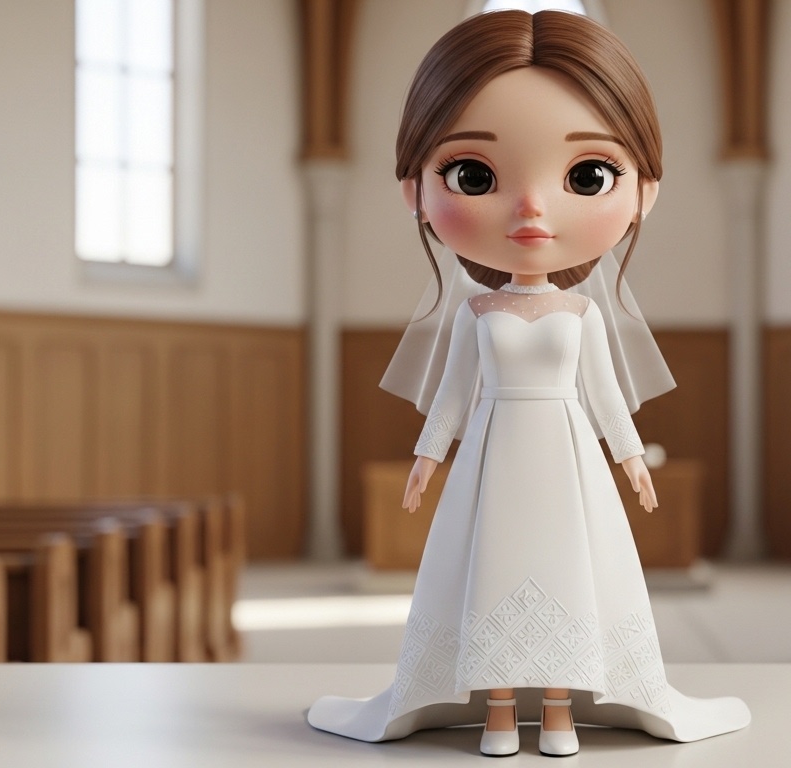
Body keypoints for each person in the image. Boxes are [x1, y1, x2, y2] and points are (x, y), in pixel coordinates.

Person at [306, 9, 750, 757]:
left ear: (642, 191)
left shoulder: (582, 313)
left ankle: (562, 711)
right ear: (414, 189)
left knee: (568, 568)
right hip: (491, 452)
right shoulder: (475, 312)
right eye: (474, 175)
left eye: (587, 175)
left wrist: (632, 456)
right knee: (493, 567)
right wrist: (426, 456)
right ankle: (501, 712)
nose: (533, 206)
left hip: (569, 455)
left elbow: (605, 394)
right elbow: (452, 395)